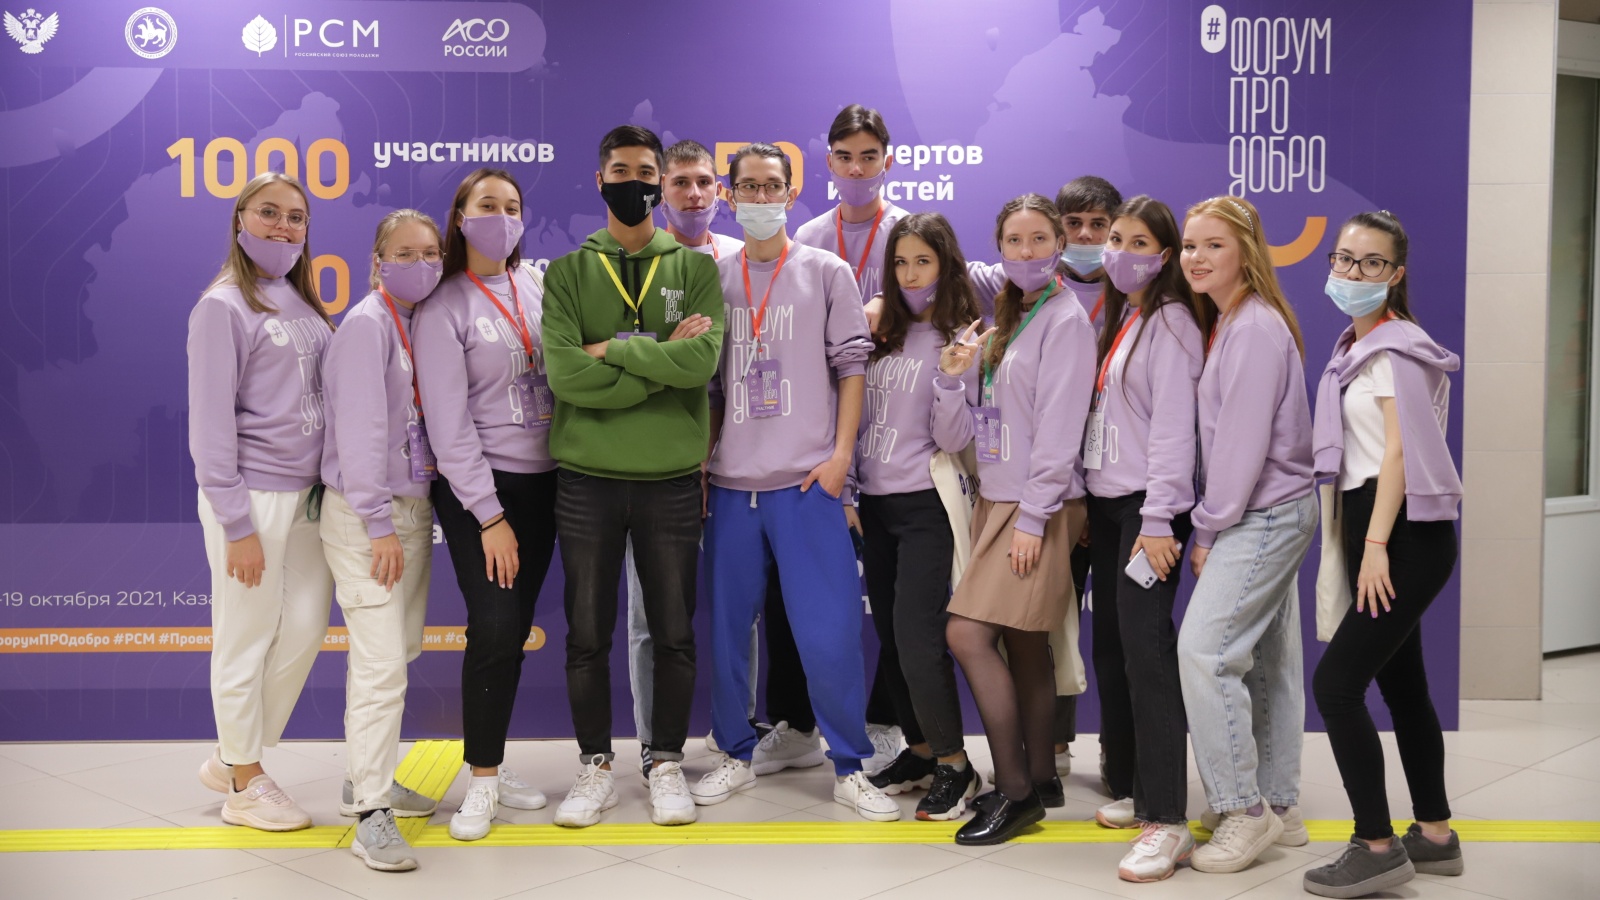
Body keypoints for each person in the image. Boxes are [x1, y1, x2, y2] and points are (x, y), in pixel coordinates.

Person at [688, 142, 898, 822]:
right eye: (748, 187)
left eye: (771, 186)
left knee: (829, 633)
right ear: (730, 195)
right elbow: (710, 386)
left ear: (789, 192)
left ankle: (849, 765)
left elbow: (852, 368)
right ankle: (734, 753)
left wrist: (841, 460)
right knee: (728, 636)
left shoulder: (826, 271)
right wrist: (705, 462)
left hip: (808, 484)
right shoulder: (714, 277)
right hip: (731, 485)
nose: (760, 198)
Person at [541, 126, 724, 828]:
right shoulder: (568, 272)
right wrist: (656, 360)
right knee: (587, 633)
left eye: (646, 171)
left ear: (659, 180)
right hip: (586, 476)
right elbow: (566, 376)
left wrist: (611, 351)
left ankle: (665, 760)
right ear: (600, 180)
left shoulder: (695, 268)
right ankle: (594, 766)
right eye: (620, 171)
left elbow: (699, 365)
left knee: (673, 630)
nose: (634, 182)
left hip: (670, 476)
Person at [1302, 211, 1464, 897]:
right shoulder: (1356, 346)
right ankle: (1434, 835)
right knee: (1403, 688)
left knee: (1336, 688)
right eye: (1344, 259)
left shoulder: (1396, 350)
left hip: (1399, 534)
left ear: (1395, 274)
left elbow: (1399, 454)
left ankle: (1374, 845)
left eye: (1371, 263)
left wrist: (1374, 547)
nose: (1352, 272)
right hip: (1379, 524)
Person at [932, 194, 1096, 845]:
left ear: (1059, 244)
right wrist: (952, 379)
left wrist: (1033, 519)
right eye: (1014, 242)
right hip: (996, 499)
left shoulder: (1065, 320)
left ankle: (1016, 791)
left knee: (967, 634)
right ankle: (1040, 779)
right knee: (1024, 644)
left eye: (1038, 240)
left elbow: (1060, 430)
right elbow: (960, 433)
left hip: (1038, 504)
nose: (1026, 252)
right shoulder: (1004, 315)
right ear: (998, 249)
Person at [189, 172, 334, 833]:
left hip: (309, 499)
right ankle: (245, 782)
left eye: (296, 217)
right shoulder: (221, 307)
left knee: (303, 628)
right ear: (240, 221)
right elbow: (209, 425)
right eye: (269, 213)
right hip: (252, 497)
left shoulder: (300, 301)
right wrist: (236, 523)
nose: (283, 226)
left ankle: (231, 752)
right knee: (244, 636)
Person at [413, 168, 555, 842]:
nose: (502, 217)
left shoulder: (538, 284)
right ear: (461, 217)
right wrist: (490, 516)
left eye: (512, 206)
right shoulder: (443, 306)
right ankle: (483, 781)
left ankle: (491, 757)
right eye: (487, 205)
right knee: (495, 627)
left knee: (515, 628)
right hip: (482, 489)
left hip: (547, 482)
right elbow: (447, 426)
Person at [1176, 195, 1315, 874]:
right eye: (1189, 245)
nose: (1196, 257)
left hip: (1261, 513)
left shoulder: (1254, 328)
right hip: (1269, 508)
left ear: (1246, 253)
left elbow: (1240, 447)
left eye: (1214, 245)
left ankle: (1244, 809)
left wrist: (1208, 527)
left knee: (1205, 652)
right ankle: (1279, 804)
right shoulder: (1233, 320)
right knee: (1266, 663)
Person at [780, 104, 911, 776]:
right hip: (821, 423)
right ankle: (798, 724)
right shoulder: (808, 235)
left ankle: (886, 721)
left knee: (894, 594)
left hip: (895, 421)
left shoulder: (907, 232)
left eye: (869, 157)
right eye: (845, 157)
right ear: (827, 162)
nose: (857, 169)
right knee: (805, 592)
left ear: (888, 159)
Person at [1079, 197, 1208, 881]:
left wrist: (1158, 519)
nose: (1121, 252)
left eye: (1139, 243)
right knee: (1115, 650)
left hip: (1146, 512)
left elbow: (1174, 430)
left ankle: (1168, 820)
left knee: (1149, 656)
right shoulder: (1126, 314)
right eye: (1116, 238)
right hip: (1108, 506)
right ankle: (1138, 788)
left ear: (1164, 257)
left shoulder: (1174, 321)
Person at [624, 140, 758, 774]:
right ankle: (656, 748)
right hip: (656, 461)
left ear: (720, 191)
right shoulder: (635, 263)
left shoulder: (739, 260)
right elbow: (632, 359)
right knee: (648, 617)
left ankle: (738, 738)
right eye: (680, 182)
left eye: (704, 181)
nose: (694, 194)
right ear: (660, 191)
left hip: (732, 463)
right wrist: (668, 353)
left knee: (738, 612)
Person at [319, 209, 447, 870]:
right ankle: (371, 812)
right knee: (380, 664)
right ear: (377, 261)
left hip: (412, 510)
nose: (420, 264)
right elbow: (360, 434)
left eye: (430, 253)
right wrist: (376, 525)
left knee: (395, 651)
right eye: (405, 253)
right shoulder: (367, 326)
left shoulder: (418, 322)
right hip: (368, 515)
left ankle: (362, 777)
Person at [857, 213, 986, 821]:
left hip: (925, 507)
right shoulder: (880, 330)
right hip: (875, 505)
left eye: (923, 262)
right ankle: (922, 751)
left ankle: (957, 766)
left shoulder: (957, 339)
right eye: (901, 262)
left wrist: (952, 380)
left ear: (945, 265)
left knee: (918, 638)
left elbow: (955, 438)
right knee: (890, 636)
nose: (910, 274)